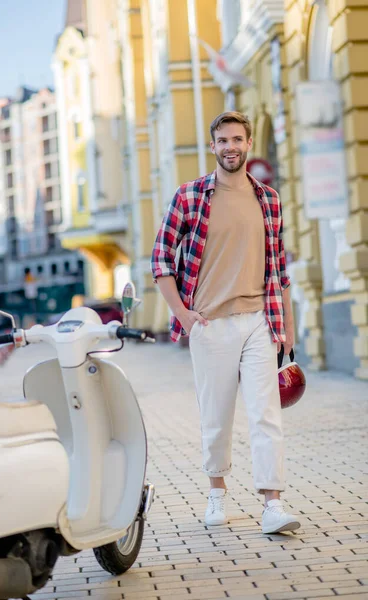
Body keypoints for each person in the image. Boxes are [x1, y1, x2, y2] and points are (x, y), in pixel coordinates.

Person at [151, 111, 301, 534]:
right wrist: (182, 313)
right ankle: (216, 492)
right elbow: (160, 258)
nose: (231, 146)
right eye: (223, 140)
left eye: (238, 139)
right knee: (216, 415)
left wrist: (285, 330)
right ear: (213, 146)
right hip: (210, 324)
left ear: (248, 144)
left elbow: (280, 271)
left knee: (266, 414)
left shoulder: (268, 199)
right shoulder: (190, 196)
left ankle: (273, 503)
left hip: (259, 321)